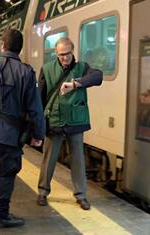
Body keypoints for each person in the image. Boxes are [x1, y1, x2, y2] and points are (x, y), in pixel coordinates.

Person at [0, 29, 45, 228]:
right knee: (6, 173)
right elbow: (35, 108)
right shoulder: (25, 72)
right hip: (11, 134)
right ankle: (0, 216)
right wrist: (38, 134)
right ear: (20, 49)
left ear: (2, 45)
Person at [37, 37, 103, 210]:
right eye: (60, 55)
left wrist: (75, 84)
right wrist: (38, 125)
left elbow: (98, 77)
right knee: (49, 157)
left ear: (73, 51)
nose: (64, 58)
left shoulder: (82, 67)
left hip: (75, 120)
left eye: (67, 54)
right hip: (54, 119)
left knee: (78, 159)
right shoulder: (47, 69)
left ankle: (81, 195)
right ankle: (43, 192)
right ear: (56, 54)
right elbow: (40, 97)